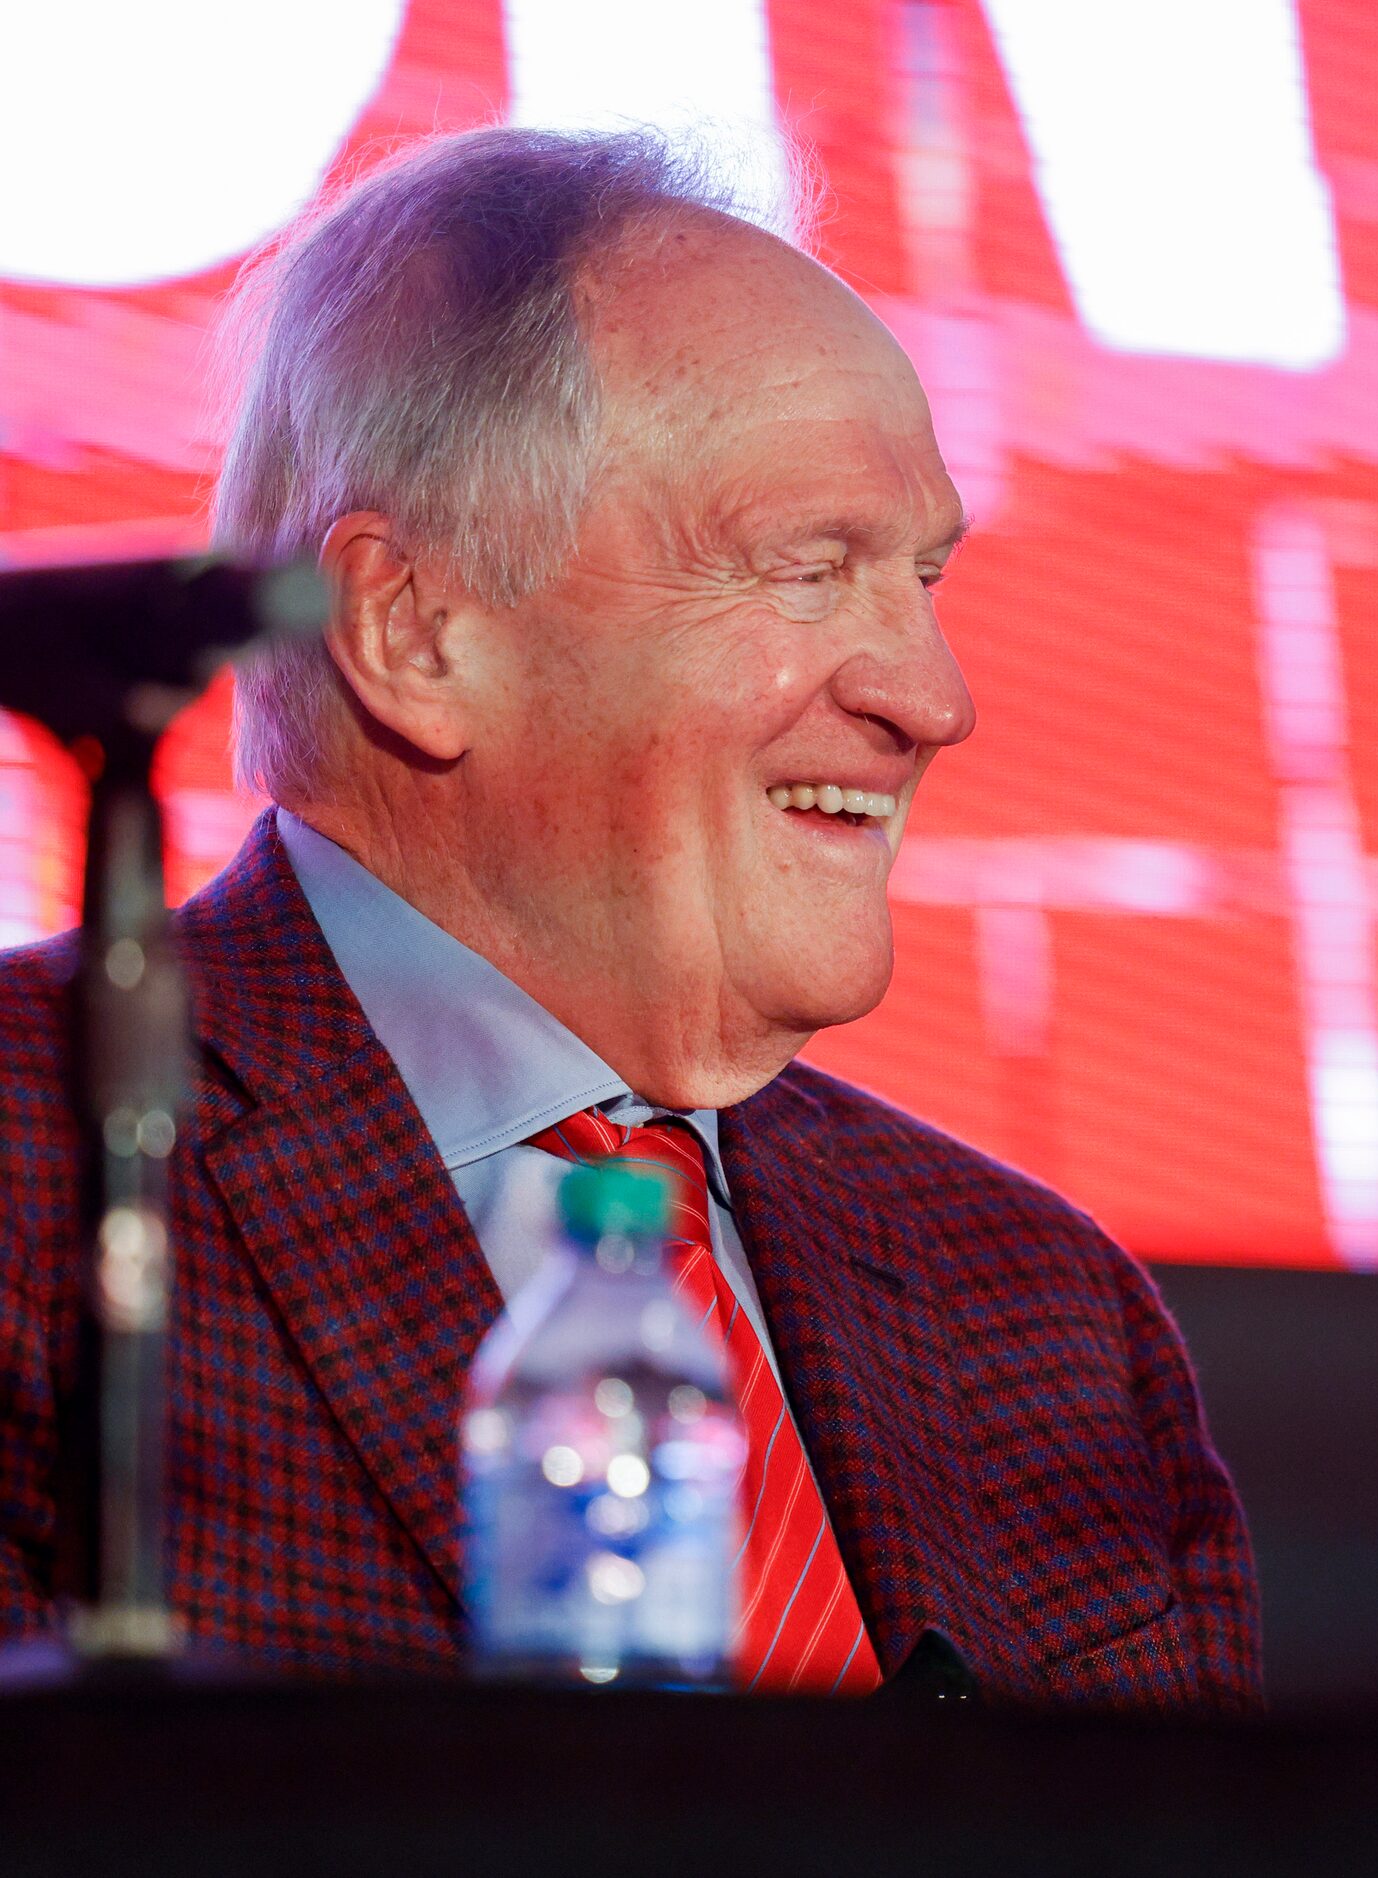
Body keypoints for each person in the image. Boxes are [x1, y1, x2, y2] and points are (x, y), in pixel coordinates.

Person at [0, 128, 1257, 1709]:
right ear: (418, 630)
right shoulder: (42, 1167)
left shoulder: (1046, 1315)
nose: (933, 700)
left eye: (922, 578)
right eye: (808, 571)